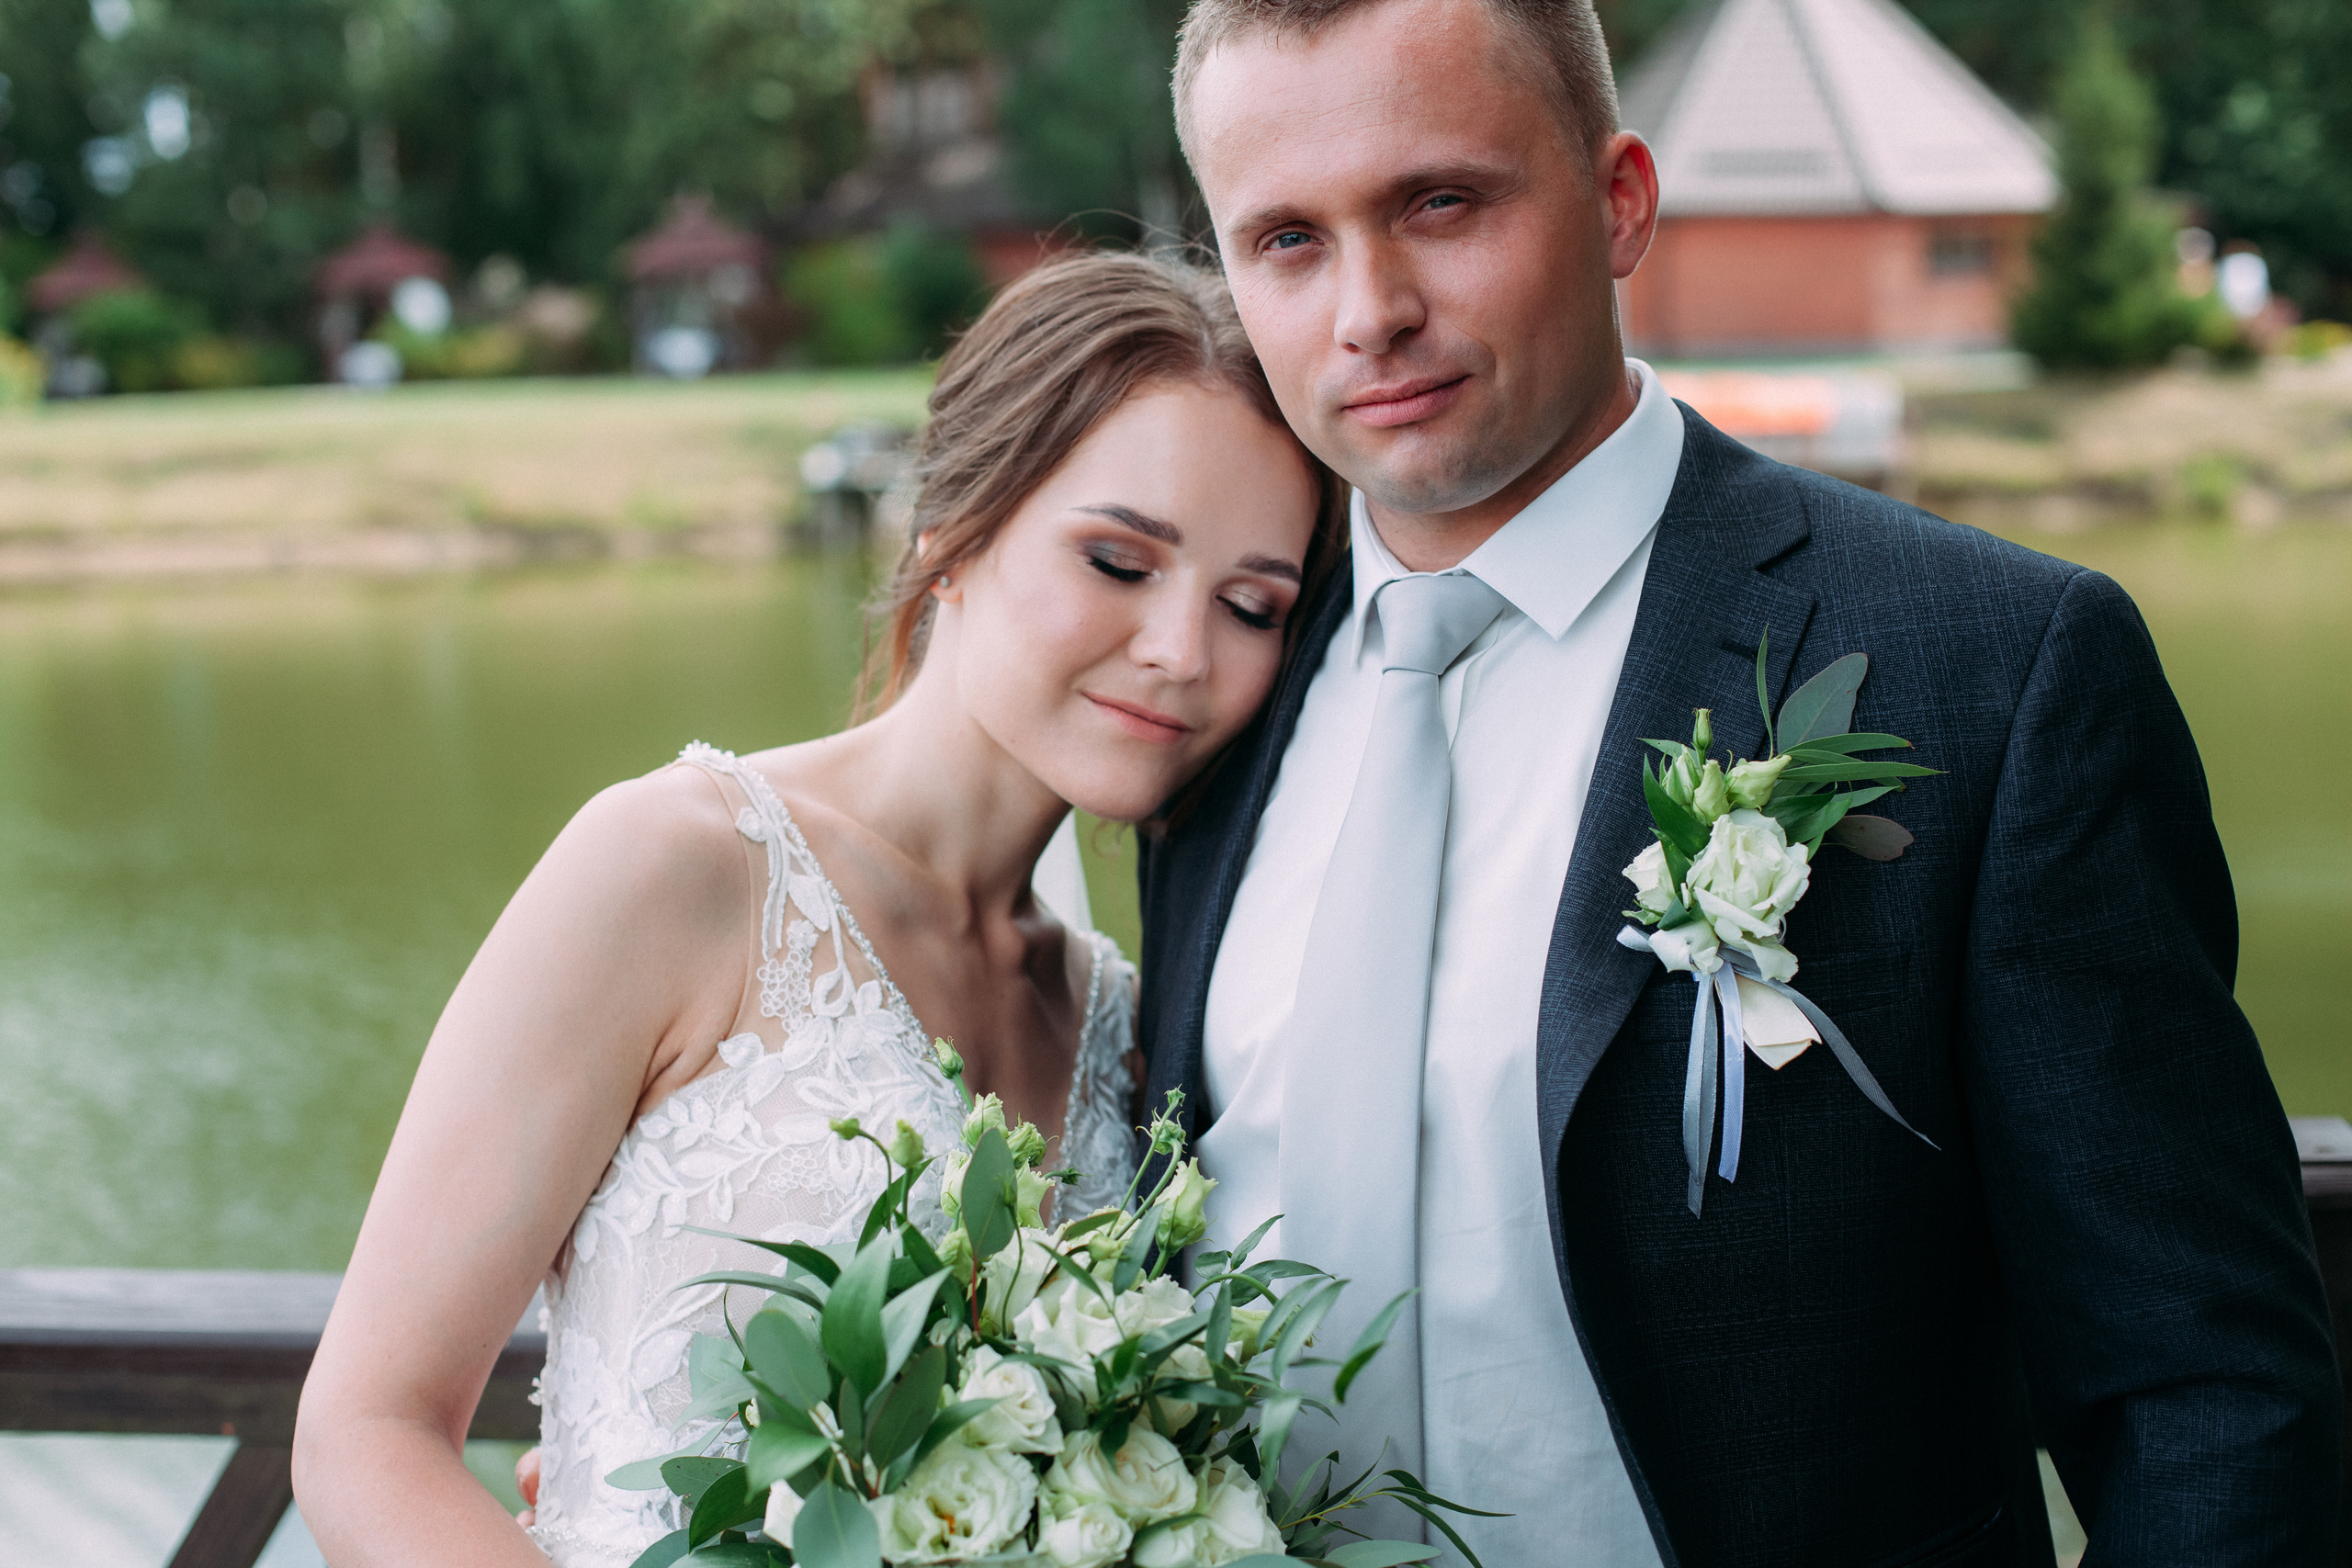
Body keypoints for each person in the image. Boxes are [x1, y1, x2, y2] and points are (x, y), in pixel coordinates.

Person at [1137, 0, 2342, 1563]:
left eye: (1441, 203)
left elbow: (2208, 1395)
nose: (1370, 309)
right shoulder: (1200, 681)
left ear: (1621, 199)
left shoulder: (1997, 669)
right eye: (1286, 240)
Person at [292, 252, 1346, 1567]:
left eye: (1252, 606)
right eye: (1119, 561)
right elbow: (366, 1431)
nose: (1183, 650)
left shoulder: (1119, 1021)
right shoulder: (676, 869)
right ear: (951, 530)